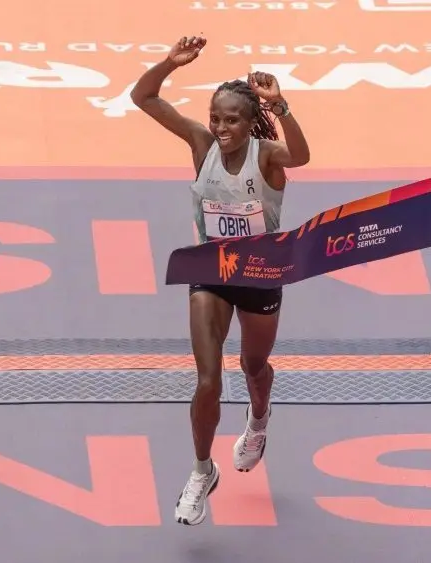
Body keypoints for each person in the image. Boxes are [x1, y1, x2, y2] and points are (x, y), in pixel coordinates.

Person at [130, 35, 311, 526]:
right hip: (211, 270)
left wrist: (282, 106)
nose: (221, 127)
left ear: (250, 122)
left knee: (254, 366)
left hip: (260, 275)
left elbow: (301, 156)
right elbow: (143, 97)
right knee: (208, 378)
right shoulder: (201, 144)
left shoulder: (266, 155)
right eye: (215, 118)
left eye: (231, 120)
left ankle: (258, 419)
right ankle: (201, 470)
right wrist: (169, 63)